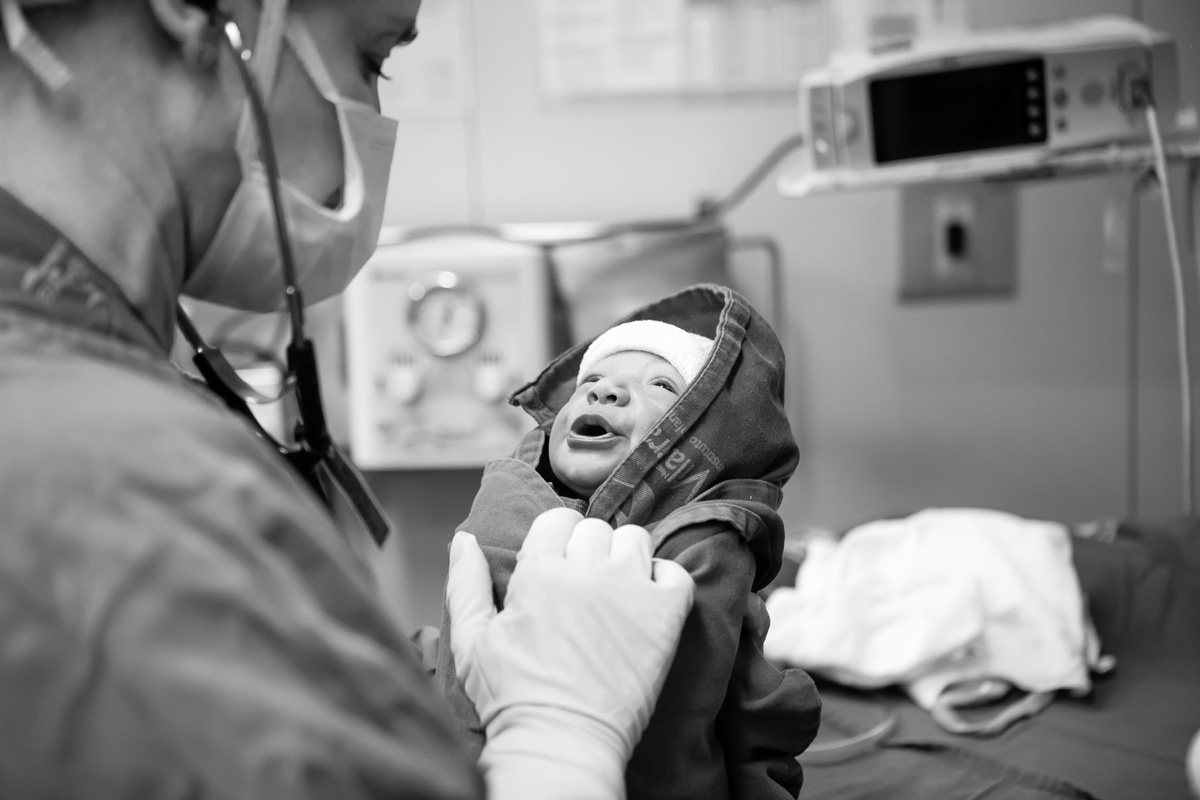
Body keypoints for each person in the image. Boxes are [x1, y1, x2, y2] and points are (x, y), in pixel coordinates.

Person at [0, 1, 696, 797]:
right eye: (374, 60)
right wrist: (560, 742)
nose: (369, 123)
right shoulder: (131, 488)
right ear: (192, 14)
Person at [437, 284, 823, 799]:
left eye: (661, 385)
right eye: (591, 380)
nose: (604, 391)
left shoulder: (703, 551)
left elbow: (752, 714)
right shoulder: (506, 501)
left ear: (697, 438)